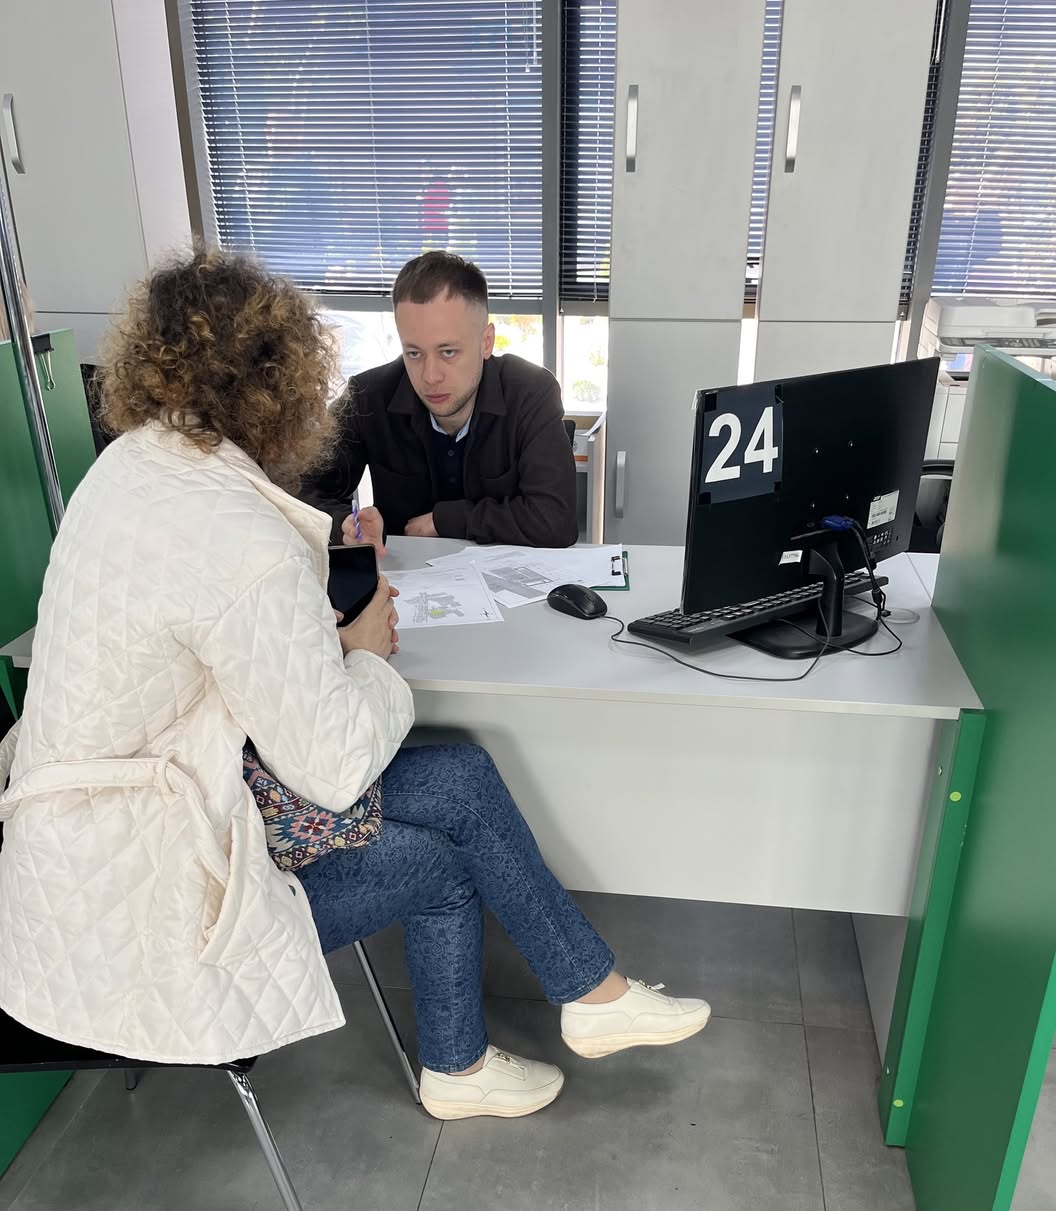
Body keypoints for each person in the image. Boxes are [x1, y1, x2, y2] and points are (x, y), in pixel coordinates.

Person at [0, 250, 709, 1120]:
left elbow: (205, 645)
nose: (429, 372)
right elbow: (333, 770)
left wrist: (317, 641)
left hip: (108, 832)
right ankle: (468, 1062)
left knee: (463, 778)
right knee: (441, 859)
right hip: (145, 900)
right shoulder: (238, 535)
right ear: (286, 381)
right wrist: (364, 652)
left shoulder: (130, 470)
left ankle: (588, 996)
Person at [301, 250, 579, 550]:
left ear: (486, 342)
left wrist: (446, 520)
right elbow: (298, 493)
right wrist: (344, 524)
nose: (430, 376)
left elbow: (556, 520)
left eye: (448, 352)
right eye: (414, 353)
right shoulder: (367, 396)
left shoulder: (531, 392)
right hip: (399, 575)